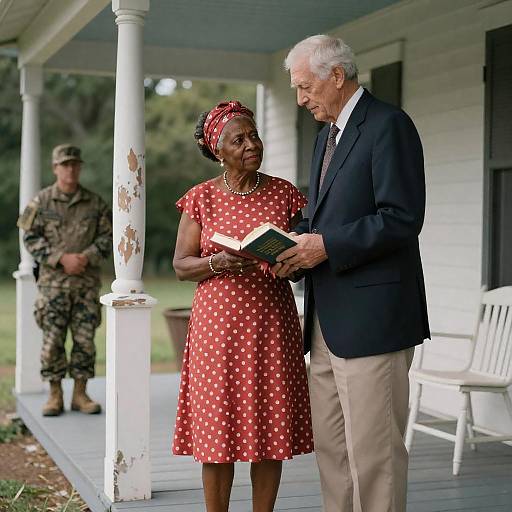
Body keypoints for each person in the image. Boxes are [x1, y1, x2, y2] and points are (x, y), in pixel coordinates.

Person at [272, 35, 430, 512]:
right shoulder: (325, 137)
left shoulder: (389, 125)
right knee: (333, 455)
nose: (300, 99)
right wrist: (288, 243)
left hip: (373, 324)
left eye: (304, 87)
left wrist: (325, 246)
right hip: (323, 324)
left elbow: (402, 217)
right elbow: (322, 220)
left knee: (375, 457)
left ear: (336, 76)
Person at [172, 101, 313, 512]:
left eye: (254, 135)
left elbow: (304, 259)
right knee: (218, 431)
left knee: (270, 430)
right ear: (219, 149)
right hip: (217, 332)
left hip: (272, 324)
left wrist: (289, 264)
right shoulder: (201, 198)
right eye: (239, 139)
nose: (251, 144)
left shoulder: (285, 193)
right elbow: (181, 265)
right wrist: (216, 261)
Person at [19, 144, 112, 417]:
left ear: (79, 167)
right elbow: (29, 237)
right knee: (53, 342)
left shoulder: (95, 203)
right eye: (65, 164)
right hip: (53, 287)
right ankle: (54, 394)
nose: (70, 169)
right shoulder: (40, 201)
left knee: (85, 343)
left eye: (74, 164)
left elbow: (109, 238)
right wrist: (60, 258)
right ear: (55, 168)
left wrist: (86, 257)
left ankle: (80, 394)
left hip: (85, 286)